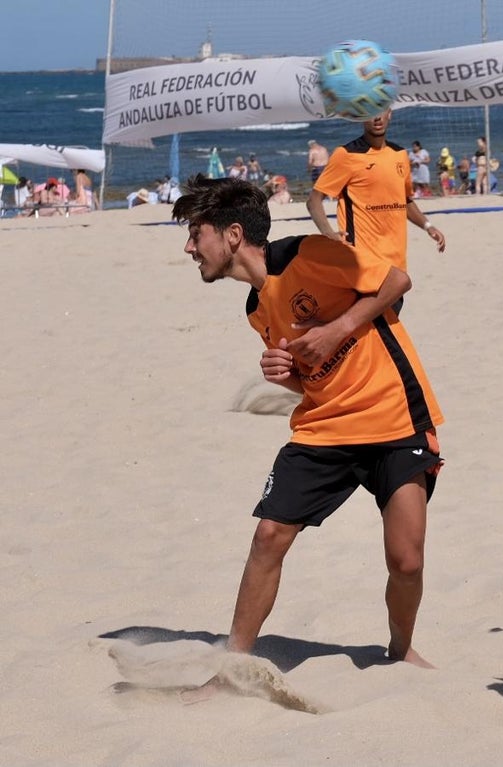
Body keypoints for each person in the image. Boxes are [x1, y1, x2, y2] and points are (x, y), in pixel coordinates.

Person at [172, 174, 445, 677]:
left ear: (233, 235)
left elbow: (396, 282)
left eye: (196, 233)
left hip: (394, 417)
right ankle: (234, 666)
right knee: (269, 535)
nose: (190, 248)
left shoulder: (309, 253)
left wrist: (336, 329)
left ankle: (400, 649)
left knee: (406, 560)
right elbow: (312, 374)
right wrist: (287, 376)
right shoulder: (256, 309)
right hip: (324, 428)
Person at [306, 108, 446, 302]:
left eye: (381, 110)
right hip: (362, 264)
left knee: (388, 318)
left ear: (389, 113)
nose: (377, 117)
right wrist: (329, 234)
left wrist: (427, 226)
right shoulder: (346, 154)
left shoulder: (399, 154)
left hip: (396, 265)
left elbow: (404, 200)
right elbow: (313, 200)